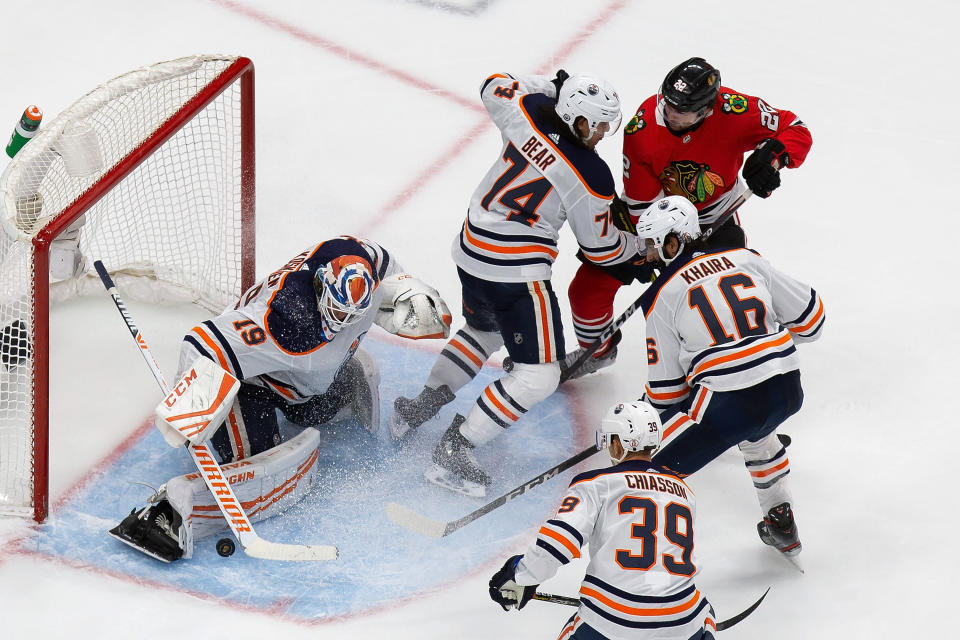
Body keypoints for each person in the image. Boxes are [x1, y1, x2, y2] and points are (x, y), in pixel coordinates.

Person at [108, 235, 453, 562]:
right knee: (260, 465)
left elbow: (389, 267)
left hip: (304, 380)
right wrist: (191, 409)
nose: (340, 323)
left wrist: (411, 289)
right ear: (320, 285)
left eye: (351, 316)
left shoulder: (365, 259)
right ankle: (171, 516)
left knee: (314, 406)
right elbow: (201, 343)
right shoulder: (285, 320)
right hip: (250, 380)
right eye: (335, 311)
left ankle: (335, 387)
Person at [391, 70, 639, 497]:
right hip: (517, 272)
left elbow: (493, 83)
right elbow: (601, 248)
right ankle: (456, 446)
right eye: (596, 124)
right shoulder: (591, 175)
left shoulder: (529, 110)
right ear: (577, 119)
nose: (601, 133)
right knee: (539, 376)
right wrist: (639, 251)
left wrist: (549, 85)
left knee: (483, 331)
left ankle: (418, 407)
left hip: (471, 250)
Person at [564, 56, 813, 379]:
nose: (669, 112)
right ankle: (597, 352)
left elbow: (795, 128)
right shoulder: (642, 128)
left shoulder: (735, 110)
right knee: (586, 290)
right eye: (667, 102)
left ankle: (747, 344)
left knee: (718, 298)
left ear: (707, 110)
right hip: (649, 217)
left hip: (713, 216)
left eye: (680, 111)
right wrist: (662, 254)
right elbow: (642, 205)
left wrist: (774, 157)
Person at [632, 196, 824, 558]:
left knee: (640, 470)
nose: (648, 256)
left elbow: (666, 397)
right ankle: (780, 518)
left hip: (731, 403)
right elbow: (813, 321)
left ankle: (640, 573)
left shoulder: (662, 296)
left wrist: (635, 421)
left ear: (674, 241)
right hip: (786, 388)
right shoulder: (747, 258)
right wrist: (762, 341)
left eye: (653, 246)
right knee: (757, 429)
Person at [489, 400, 717, 640]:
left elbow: (558, 543)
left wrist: (520, 574)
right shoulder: (684, 491)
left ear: (618, 444)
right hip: (682, 621)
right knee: (704, 615)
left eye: (610, 441)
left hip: (613, 621)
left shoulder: (595, 483)